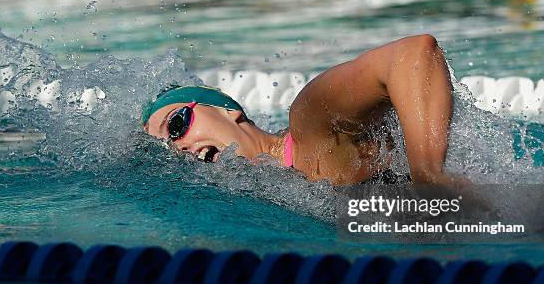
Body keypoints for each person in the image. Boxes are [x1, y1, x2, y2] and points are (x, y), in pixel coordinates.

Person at [142, 34, 454, 186]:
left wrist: (428, 176)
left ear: (228, 111)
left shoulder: (310, 125)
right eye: (166, 148)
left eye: (177, 125)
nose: (177, 146)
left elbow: (414, 54)